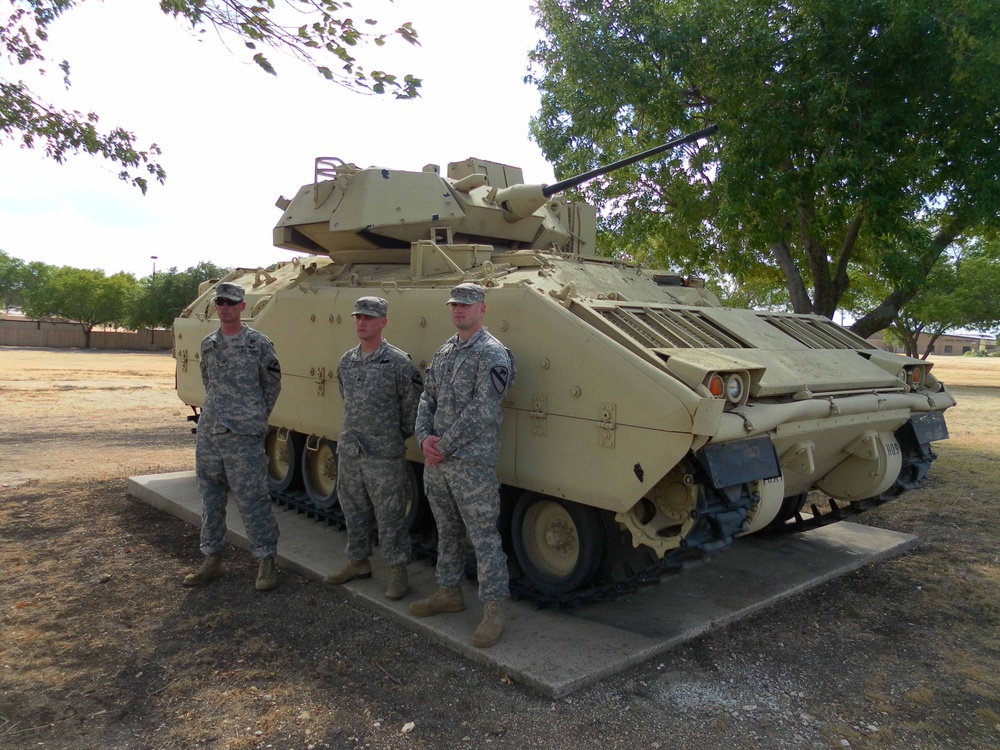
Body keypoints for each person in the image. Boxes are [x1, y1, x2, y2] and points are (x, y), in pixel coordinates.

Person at [410, 282, 515, 648]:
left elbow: (484, 409)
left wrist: (445, 445)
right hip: (438, 460)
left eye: (467, 305)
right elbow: (427, 397)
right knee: (447, 530)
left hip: (472, 463)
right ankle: (448, 591)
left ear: (482, 309)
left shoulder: (493, 354)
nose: (459, 310)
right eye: (455, 305)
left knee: (484, 537)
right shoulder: (444, 352)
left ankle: (493, 610)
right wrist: (424, 437)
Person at [183, 281, 283, 591]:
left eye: (231, 302)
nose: (225, 306)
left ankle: (266, 561)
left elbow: (272, 385)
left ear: (242, 306)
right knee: (210, 497)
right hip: (211, 432)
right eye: (220, 302)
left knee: (252, 498)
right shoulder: (209, 344)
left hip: (243, 435)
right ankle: (212, 558)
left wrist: (253, 417)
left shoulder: (258, 343)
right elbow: (208, 384)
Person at [324, 296, 423, 599]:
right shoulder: (346, 361)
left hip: (384, 454)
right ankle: (358, 561)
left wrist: (388, 437)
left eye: (368, 317)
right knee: (353, 509)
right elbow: (347, 398)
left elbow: (413, 410)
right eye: (358, 317)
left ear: (383, 322)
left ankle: (397, 570)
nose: (361, 322)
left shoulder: (398, 362)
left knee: (390, 514)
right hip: (352, 451)